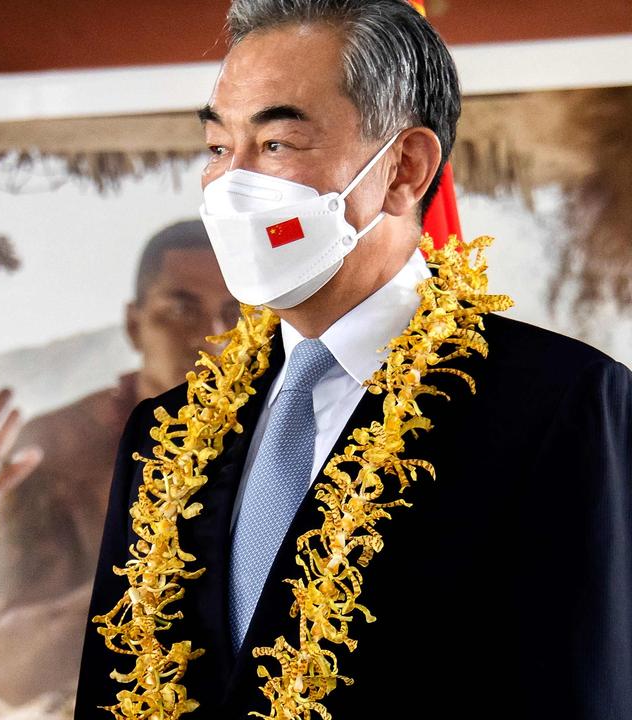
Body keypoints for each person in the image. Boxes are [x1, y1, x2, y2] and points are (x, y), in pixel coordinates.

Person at [77, 2, 632, 719]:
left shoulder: (559, 406)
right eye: (219, 148)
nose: (232, 185)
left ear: (404, 168)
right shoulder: (165, 433)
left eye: (276, 143)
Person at [0, 221, 238, 712]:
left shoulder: (294, 436)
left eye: (236, 313)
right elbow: (12, 669)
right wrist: (156, 572)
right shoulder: (62, 448)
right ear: (135, 325)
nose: (211, 337)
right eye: (181, 309)